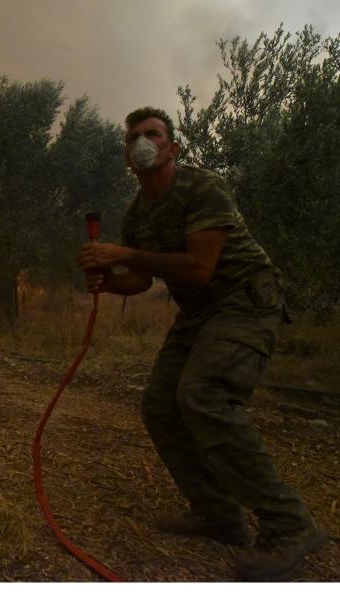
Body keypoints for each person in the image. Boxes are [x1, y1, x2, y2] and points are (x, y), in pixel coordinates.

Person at [75, 107, 327, 581]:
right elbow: (142, 279)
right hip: (200, 311)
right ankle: (218, 515)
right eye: (133, 137)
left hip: (246, 297)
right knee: (159, 405)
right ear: (128, 157)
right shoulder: (136, 213)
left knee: (205, 395)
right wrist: (109, 281)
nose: (142, 141)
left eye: (153, 134)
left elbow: (198, 267)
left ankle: (290, 524)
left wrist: (123, 254)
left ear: (172, 147)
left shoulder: (202, 187)